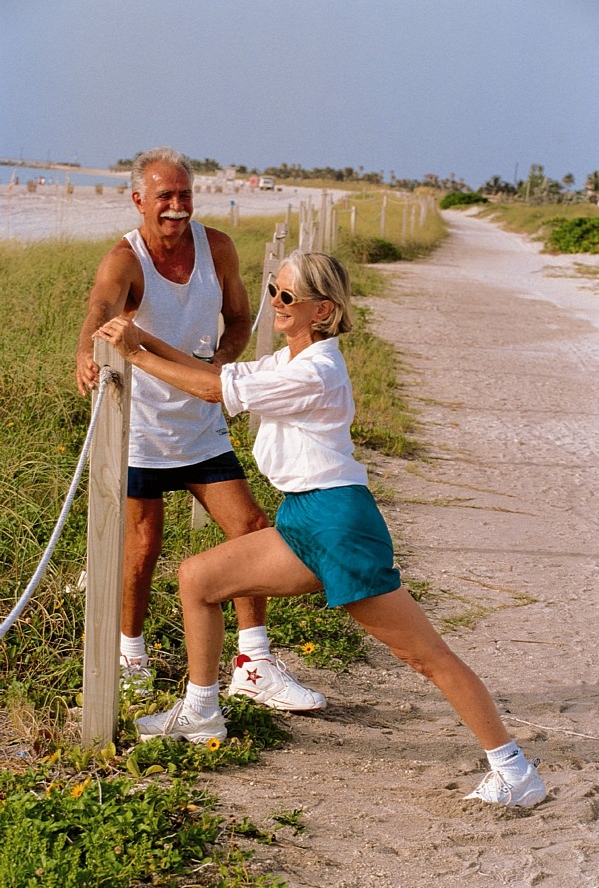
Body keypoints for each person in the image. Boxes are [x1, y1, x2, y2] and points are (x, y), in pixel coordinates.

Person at [95, 250, 547, 808]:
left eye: (287, 297)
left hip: (338, 522)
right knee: (199, 579)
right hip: (303, 517)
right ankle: (202, 710)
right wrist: (141, 338)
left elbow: (213, 395)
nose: (276, 304)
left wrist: (132, 355)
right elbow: (216, 375)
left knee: (425, 655)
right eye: (273, 292)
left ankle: (513, 768)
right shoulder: (291, 359)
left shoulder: (318, 369)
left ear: (322, 309)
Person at [76, 147, 325, 712]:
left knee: (251, 527)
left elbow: (238, 318)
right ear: (139, 200)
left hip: (202, 425)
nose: (177, 207)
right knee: (141, 547)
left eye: (184, 194)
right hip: (141, 428)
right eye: (164, 196)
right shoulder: (125, 258)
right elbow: (100, 308)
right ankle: (130, 655)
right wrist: (84, 353)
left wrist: (220, 366)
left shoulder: (218, 248)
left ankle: (254, 662)